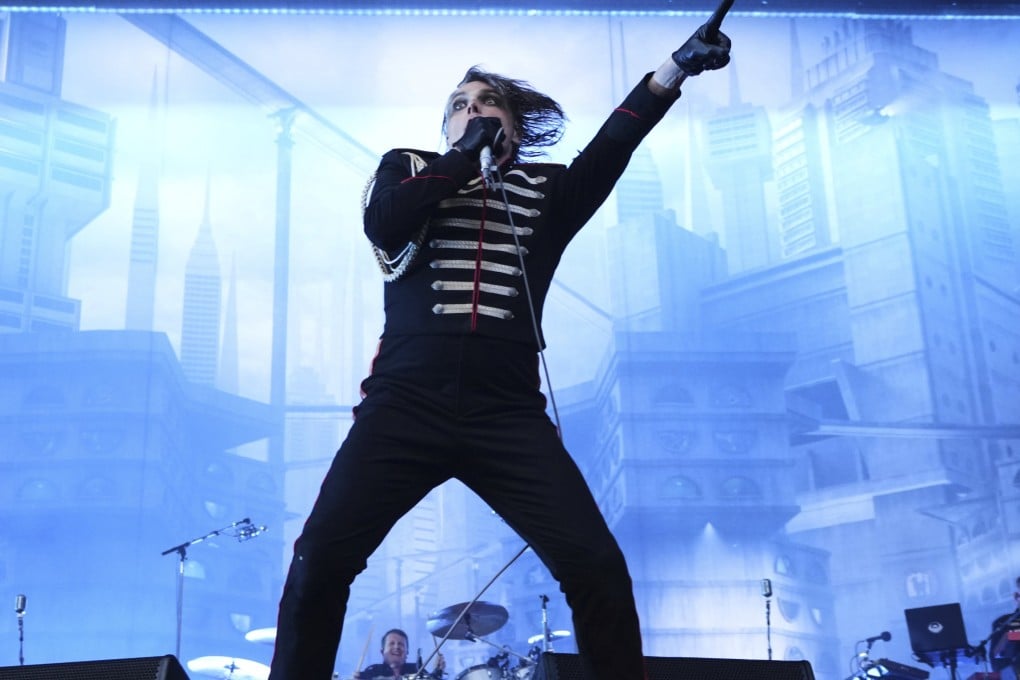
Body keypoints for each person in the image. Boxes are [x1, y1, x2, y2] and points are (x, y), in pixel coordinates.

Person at [268, 15, 731, 680]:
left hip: (505, 413)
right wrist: (462, 156)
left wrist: (675, 69)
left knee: (595, 564)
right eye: (459, 104)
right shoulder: (409, 167)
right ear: (447, 126)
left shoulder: (547, 192)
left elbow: (613, 145)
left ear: (514, 126)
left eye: (488, 103)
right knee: (320, 560)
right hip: (404, 405)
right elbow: (386, 221)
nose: (473, 110)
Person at [354, 629, 445, 680]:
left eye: (401, 644)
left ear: (407, 652)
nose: (396, 647)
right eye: (391, 643)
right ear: (382, 652)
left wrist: (438, 671)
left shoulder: (417, 669)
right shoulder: (372, 671)